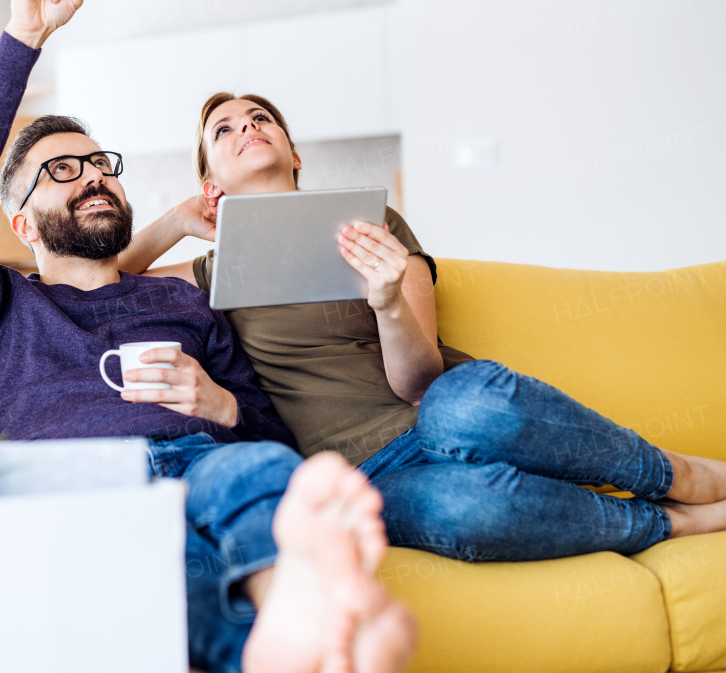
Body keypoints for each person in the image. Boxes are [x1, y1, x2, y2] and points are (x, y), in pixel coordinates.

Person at [0, 0, 415, 673]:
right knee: (164, 572)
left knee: (260, 474)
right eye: (60, 169)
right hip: (86, 491)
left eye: (99, 162)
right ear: (21, 222)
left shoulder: (182, 300)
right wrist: (25, 38)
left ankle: (301, 615)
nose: (90, 174)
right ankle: (289, 642)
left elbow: (265, 428)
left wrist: (218, 403)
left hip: (200, 465)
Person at [119, 92, 726, 562]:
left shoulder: (373, 224)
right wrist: (176, 219)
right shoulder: (212, 272)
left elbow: (420, 382)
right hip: (367, 474)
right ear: (211, 183)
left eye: (259, 118)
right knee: (466, 511)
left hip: (445, 412)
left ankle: (680, 474)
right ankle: (669, 522)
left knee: (469, 408)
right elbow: (103, 280)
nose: (247, 127)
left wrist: (387, 303)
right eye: (223, 131)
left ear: (294, 152)